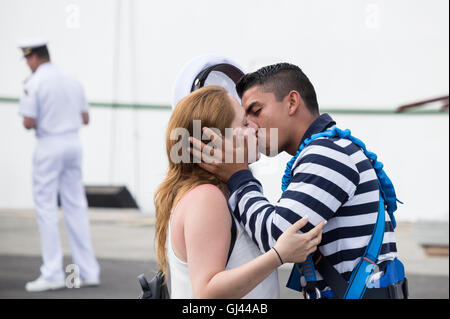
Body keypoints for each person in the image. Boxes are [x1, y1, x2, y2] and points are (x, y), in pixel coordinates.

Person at [191, 63, 408, 299]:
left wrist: (238, 176)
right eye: (245, 119)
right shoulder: (328, 149)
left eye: (256, 111)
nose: (251, 126)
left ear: (292, 102)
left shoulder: (327, 154)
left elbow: (277, 238)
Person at [154, 85, 325, 298]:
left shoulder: (216, 192)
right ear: (215, 141)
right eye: (244, 123)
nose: (255, 127)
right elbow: (207, 293)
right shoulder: (207, 197)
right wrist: (279, 255)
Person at [17, 38, 100, 292]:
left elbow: (28, 122)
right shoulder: (71, 79)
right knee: (76, 206)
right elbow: (85, 118)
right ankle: (88, 270)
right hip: (73, 144)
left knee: (46, 209)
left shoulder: (35, 82)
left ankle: (52, 272)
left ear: (32, 57)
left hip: (49, 145)